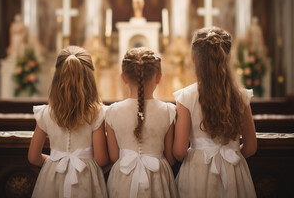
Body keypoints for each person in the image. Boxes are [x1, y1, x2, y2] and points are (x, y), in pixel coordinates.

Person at [173, 27, 257, 197]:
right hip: (234, 171)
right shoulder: (241, 96)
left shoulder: (186, 97)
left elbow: (179, 151)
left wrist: (198, 156)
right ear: (229, 58)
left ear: (194, 59)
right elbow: (250, 147)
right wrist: (231, 153)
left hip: (196, 173)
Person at [28, 46, 109, 198]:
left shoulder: (46, 113)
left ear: (57, 77)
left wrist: (56, 160)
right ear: (90, 77)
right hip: (86, 179)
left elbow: (33, 157)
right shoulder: (97, 113)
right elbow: (101, 159)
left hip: (52, 178)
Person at [105, 47, 178, 198]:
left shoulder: (112, 111)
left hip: (122, 178)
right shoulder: (168, 111)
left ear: (123, 77)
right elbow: (170, 158)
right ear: (158, 77)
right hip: (158, 178)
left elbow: (113, 157)